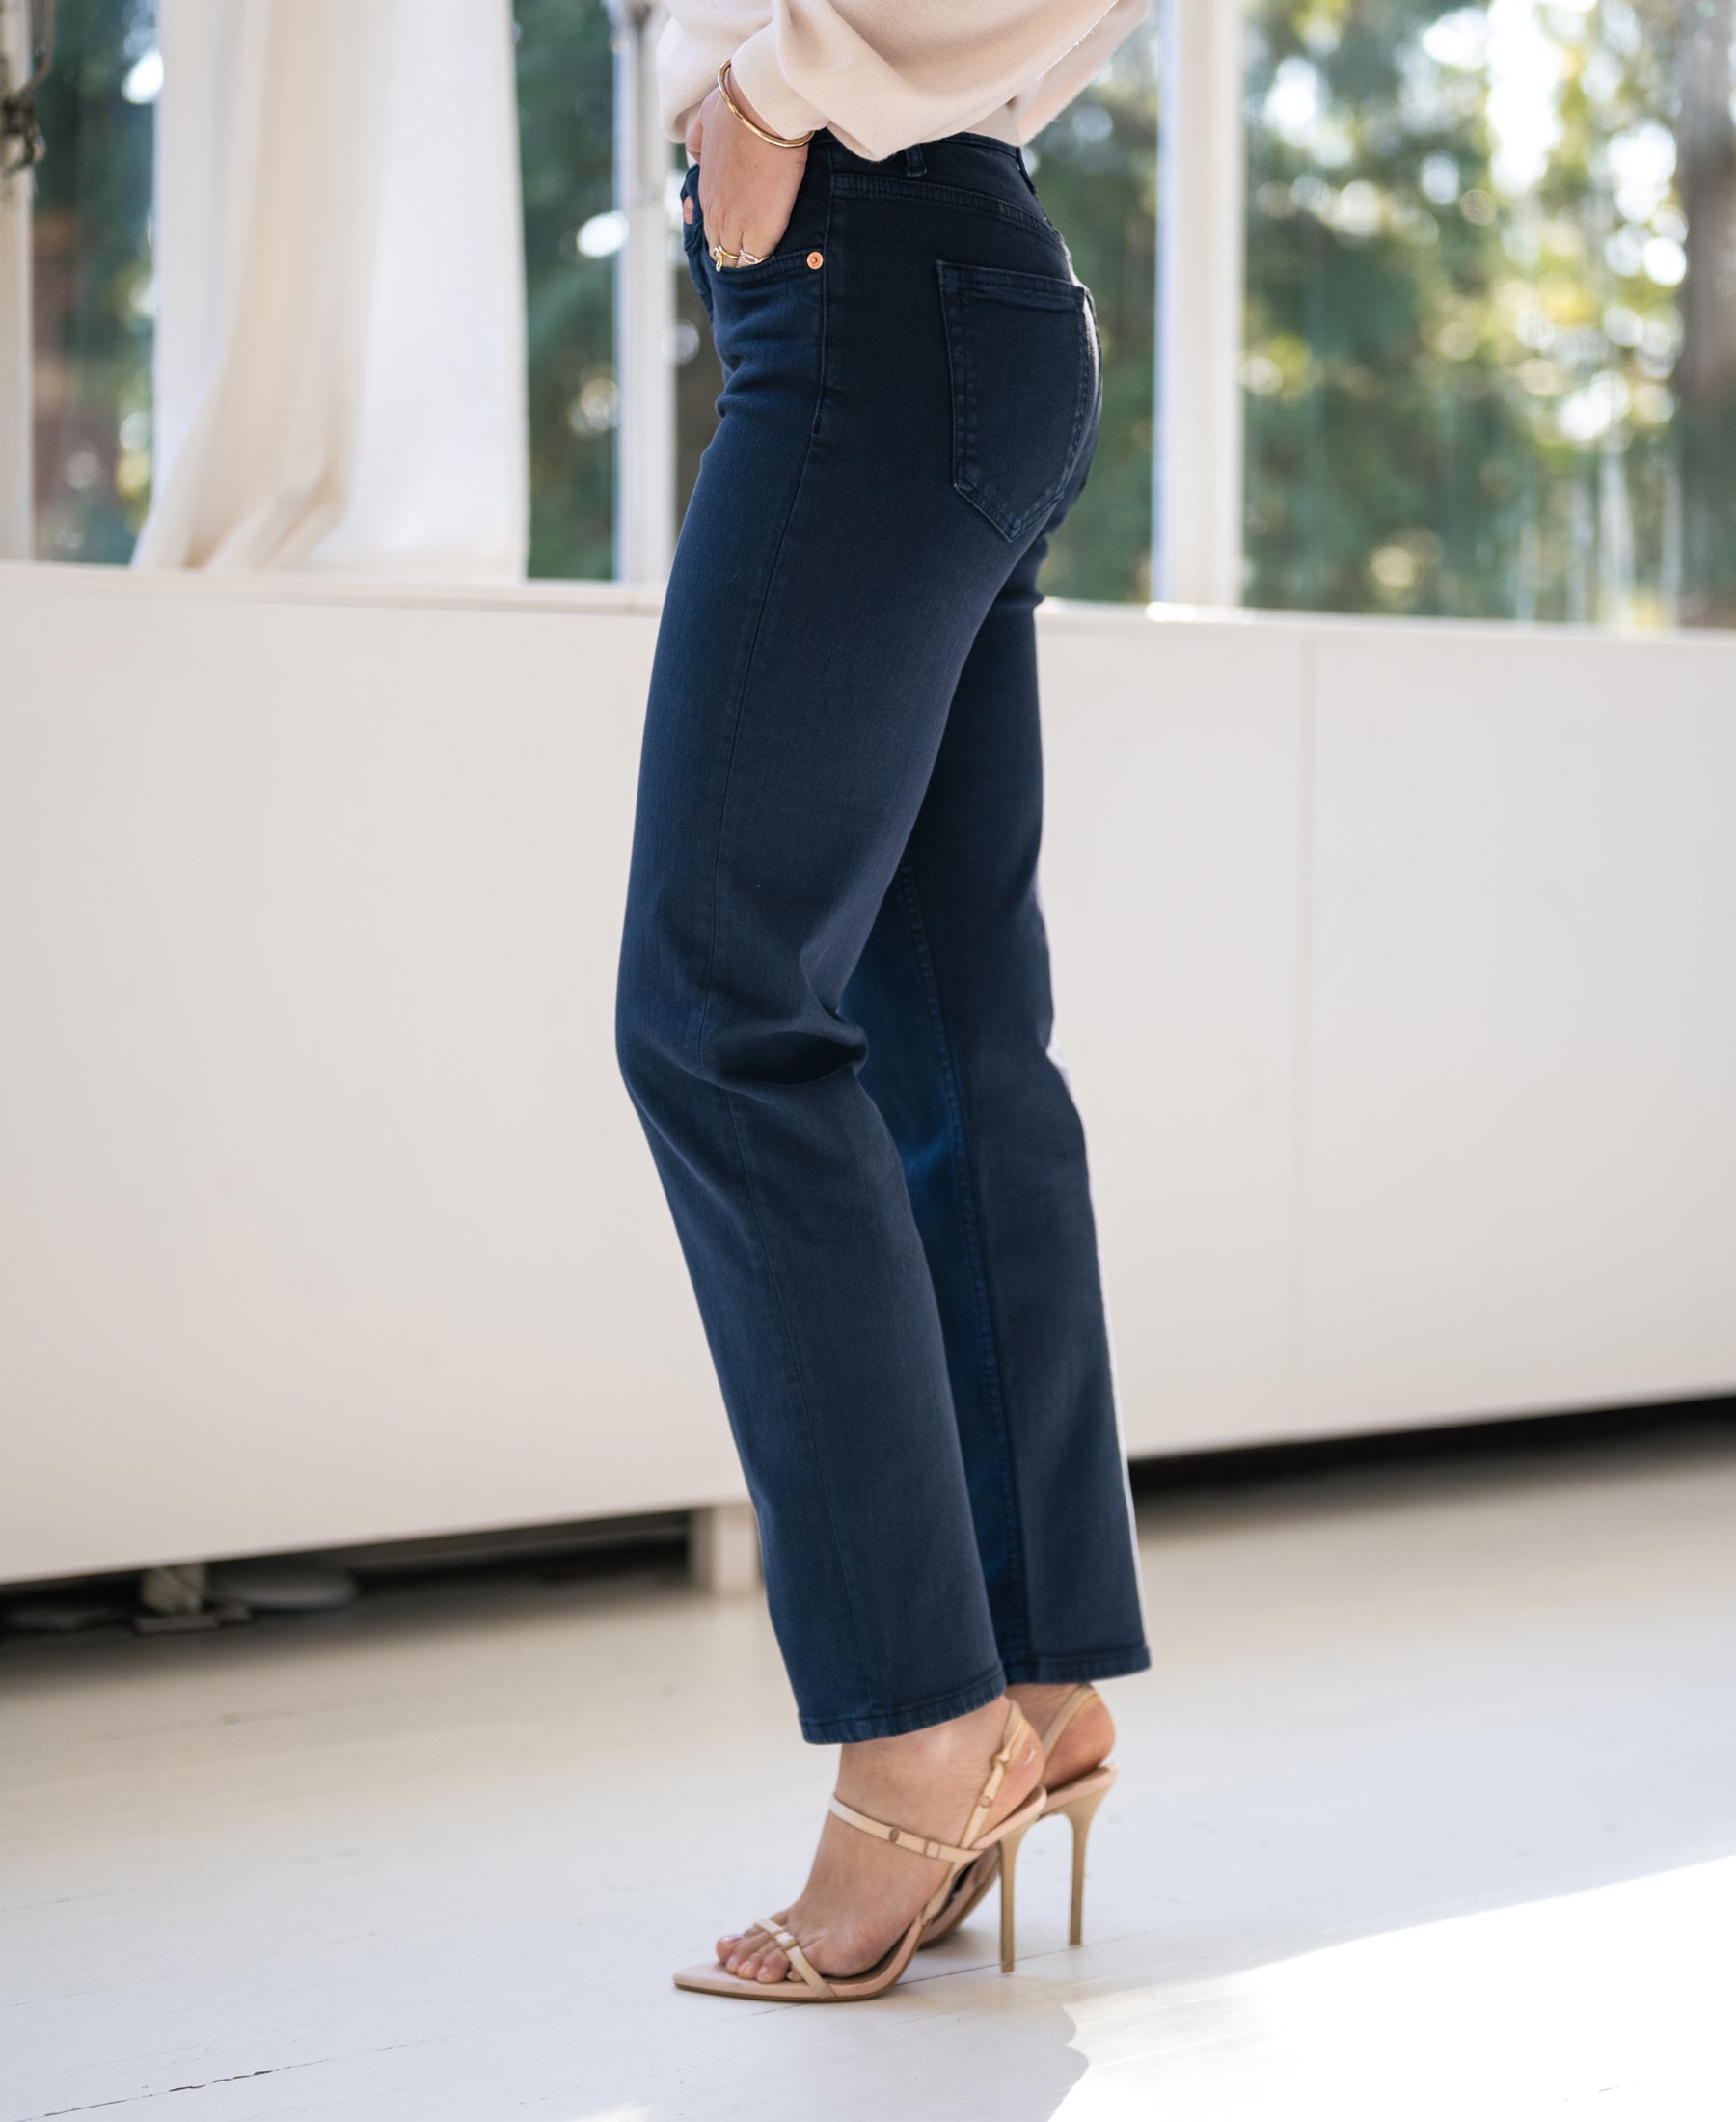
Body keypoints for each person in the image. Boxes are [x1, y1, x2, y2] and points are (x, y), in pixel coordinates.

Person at [614, 0, 1153, 2004]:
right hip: (927, 289)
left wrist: (778, 87)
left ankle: (923, 1727)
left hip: (874, 280)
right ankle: (1029, 1674)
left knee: (720, 1009)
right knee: (948, 1029)